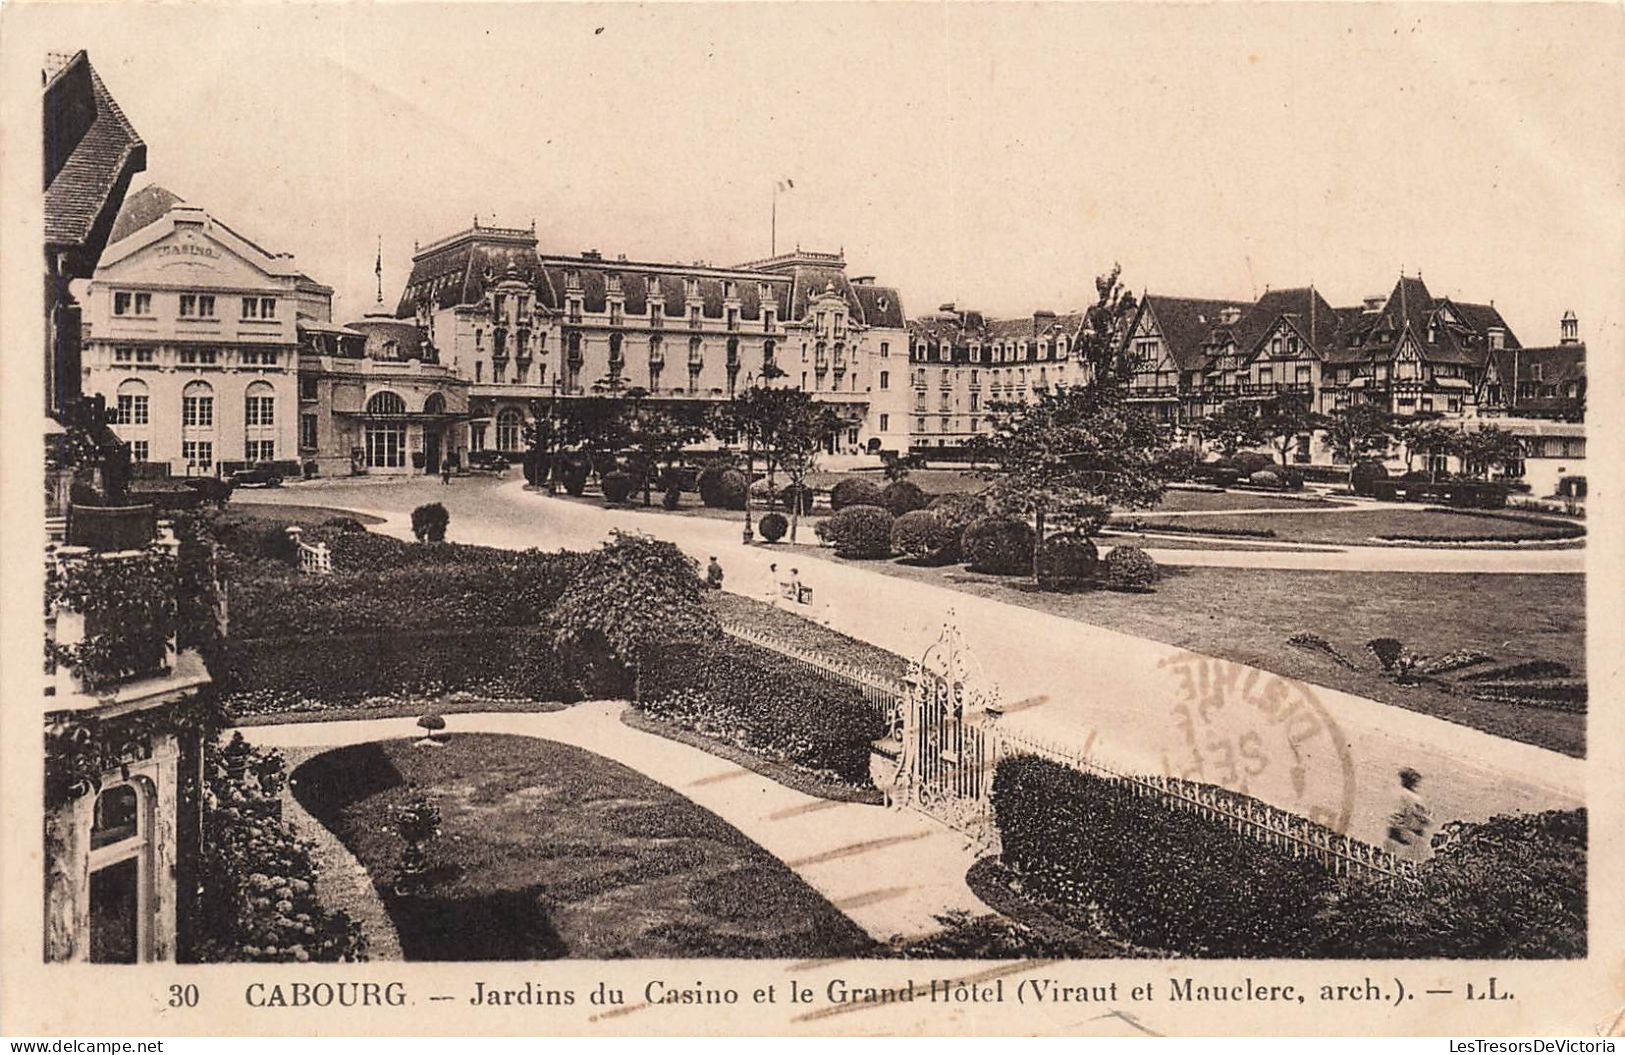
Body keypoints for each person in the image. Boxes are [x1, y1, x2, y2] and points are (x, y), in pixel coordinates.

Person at [1384, 767, 1434, 863]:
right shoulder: (1412, 797)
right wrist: (1427, 819)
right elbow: (1421, 816)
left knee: (1391, 857)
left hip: (1395, 831)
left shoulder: (1398, 793)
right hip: (1407, 833)